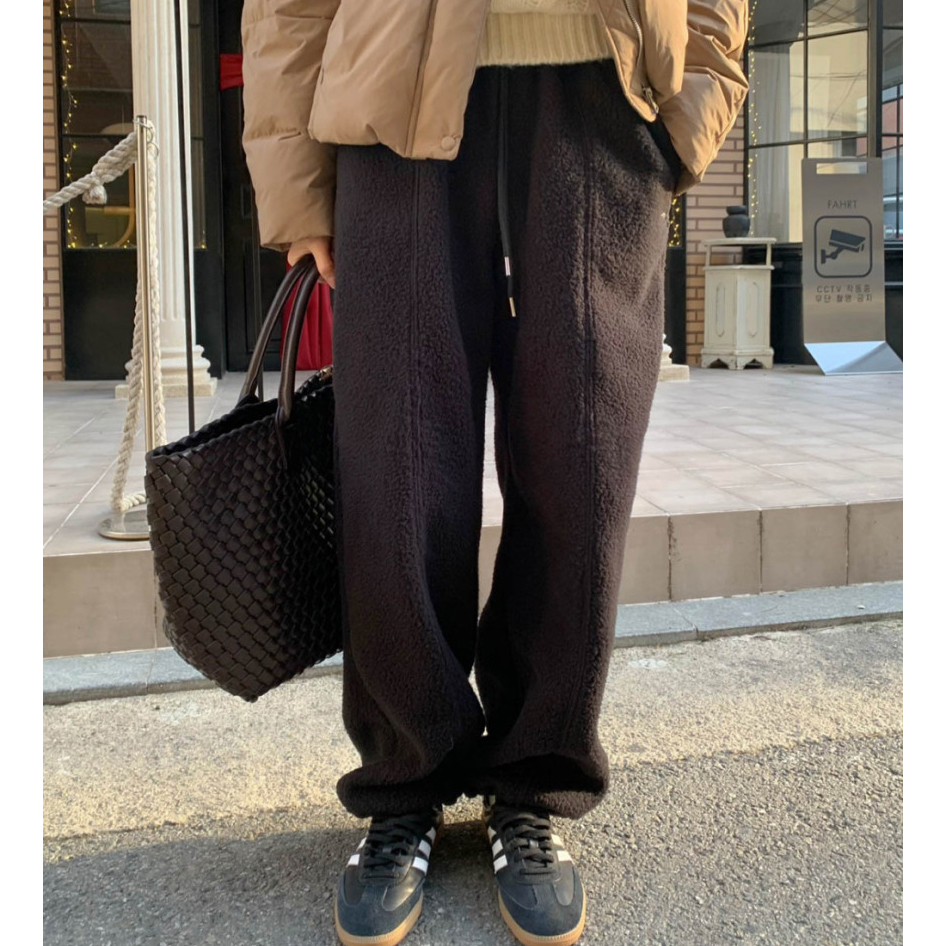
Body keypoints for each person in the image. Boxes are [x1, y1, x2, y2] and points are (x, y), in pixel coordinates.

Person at [240, 2, 747, 944]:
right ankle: (406, 781)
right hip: (391, 107)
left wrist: (688, 113)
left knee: (583, 464)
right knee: (396, 470)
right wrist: (298, 188)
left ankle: (537, 778)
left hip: (603, 106)